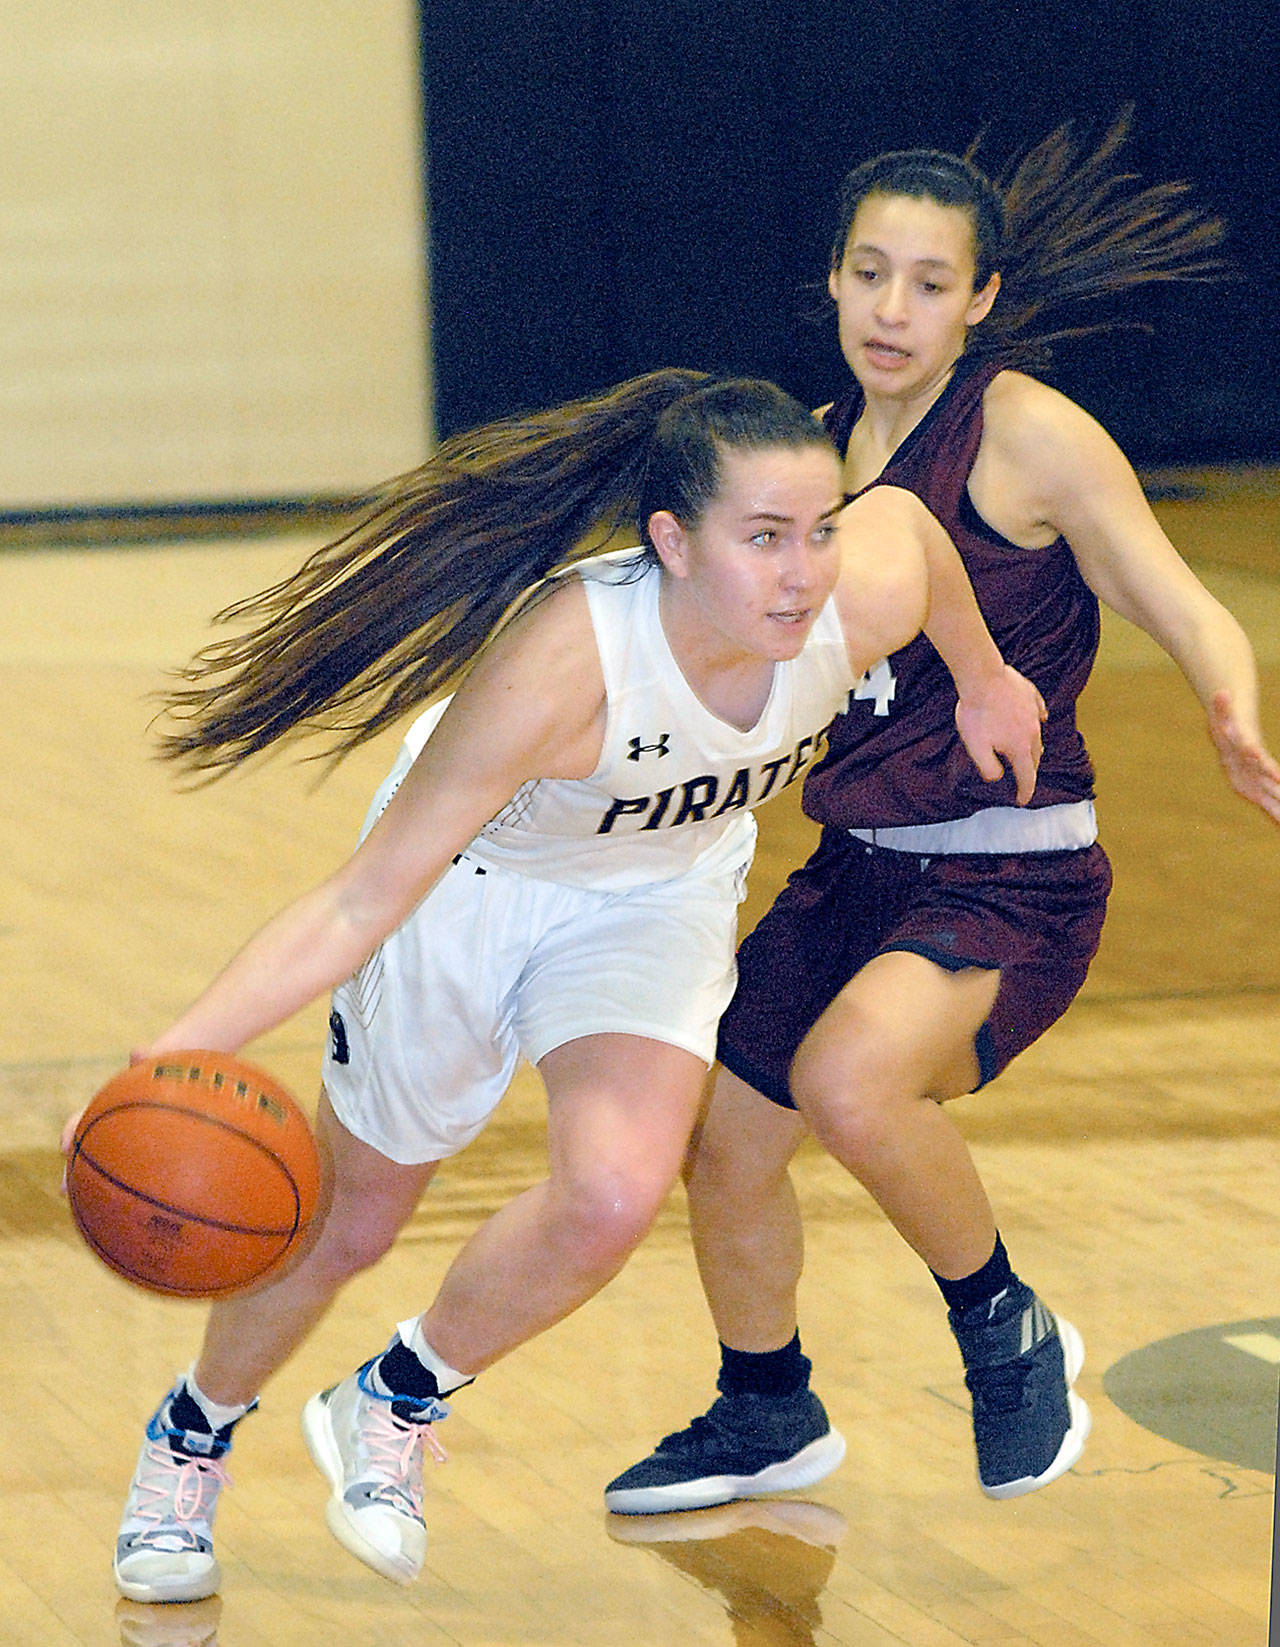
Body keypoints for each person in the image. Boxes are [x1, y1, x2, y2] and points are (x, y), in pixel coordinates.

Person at [92, 369, 1045, 1603]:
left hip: (653, 893)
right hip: (473, 886)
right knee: (349, 1223)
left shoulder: (848, 591)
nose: (801, 570)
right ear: (671, 543)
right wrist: (161, 1060)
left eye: (814, 529)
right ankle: (190, 1438)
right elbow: (355, 898)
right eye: (761, 538)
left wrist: (980, 674)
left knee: (610, 1194)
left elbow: (915, 533)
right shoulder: (567, 660)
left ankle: (395, 1396)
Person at [604, 116, 1280, 1516]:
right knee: (724, 1147)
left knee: (855, 1081)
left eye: (927, 282)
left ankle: (1003, 1322)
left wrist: (1230, 704)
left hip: (1012, 876)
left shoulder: (1024, 430)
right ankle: (765, 1404)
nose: (892, 309)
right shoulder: (809, 460)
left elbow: (1177, 589)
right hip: (856, 866)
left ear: (978, 298)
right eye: (868, 275)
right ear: (834, 284)